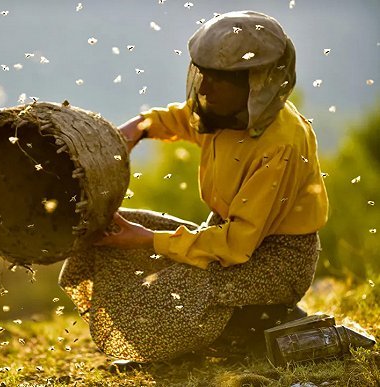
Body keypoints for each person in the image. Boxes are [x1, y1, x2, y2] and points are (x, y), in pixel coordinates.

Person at [59, 10, 329, 364]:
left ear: (257, 81)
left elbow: (236, 245)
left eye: (219, 80)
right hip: (224, 239)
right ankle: (233, 326)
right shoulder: (225, 111)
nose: (203, 88)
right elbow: (183, 119)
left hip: (277, 262)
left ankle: (260, 321)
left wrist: (147, 240)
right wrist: (139, 127)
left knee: (171, 292)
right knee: (110, 228)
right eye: (204, 74)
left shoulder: (280, 145)